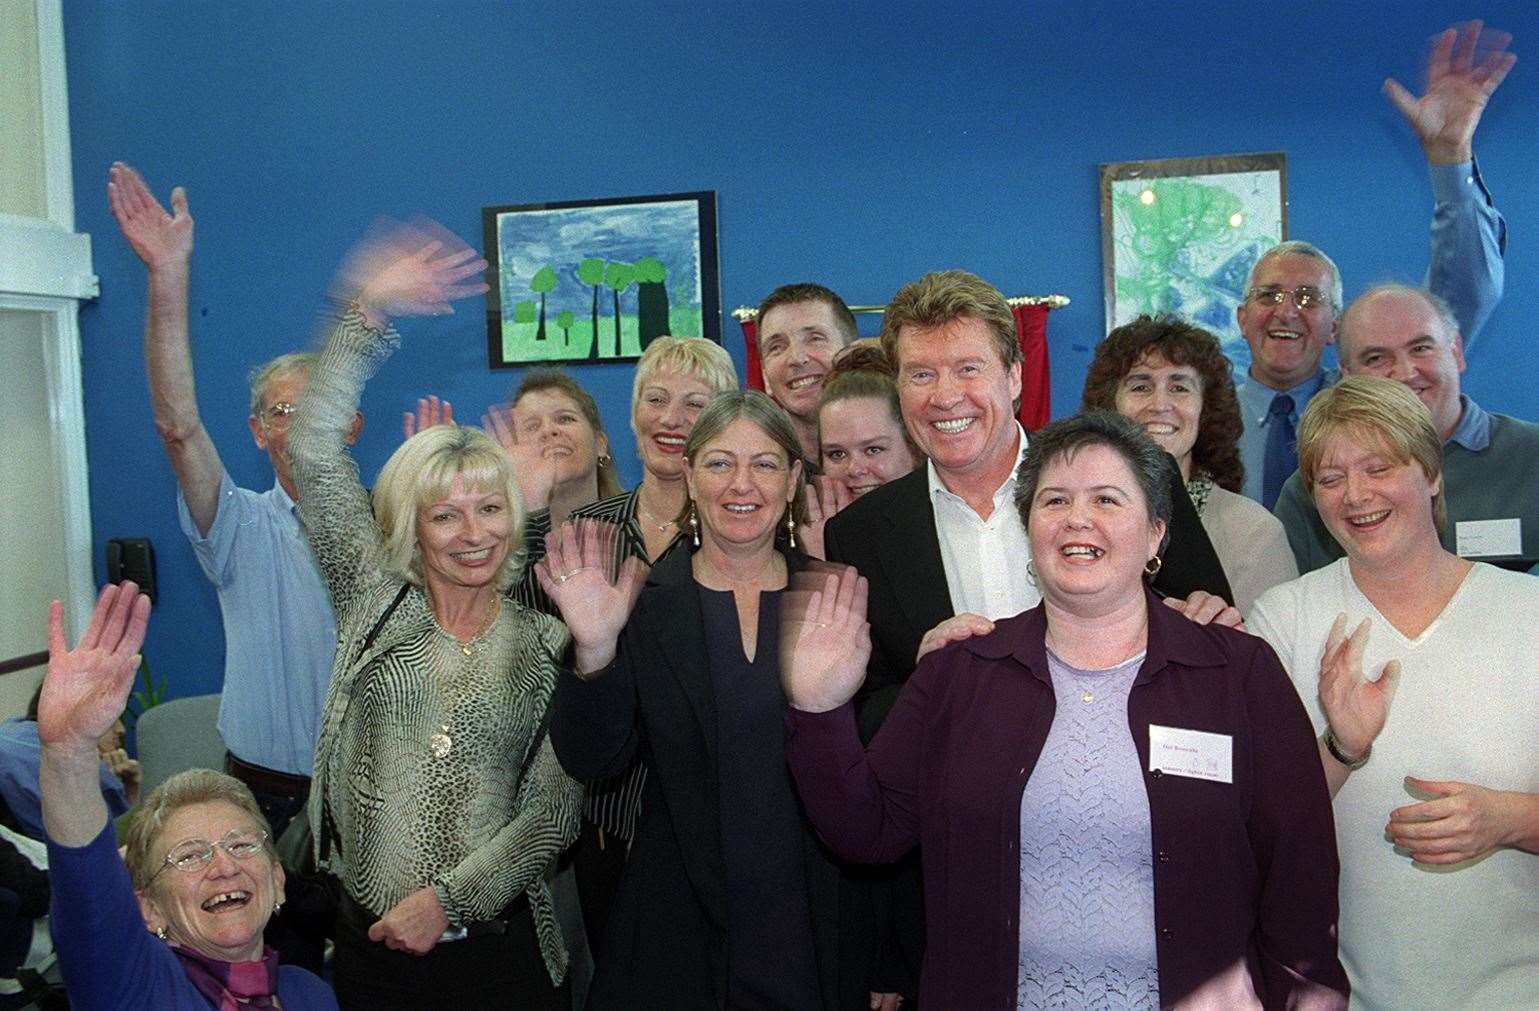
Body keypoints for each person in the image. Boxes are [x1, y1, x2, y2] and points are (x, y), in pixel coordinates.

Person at [783, 412, 1347, 1009]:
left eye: (1108, 499)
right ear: (1029, 528)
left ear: (1156, 533)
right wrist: (819, 707)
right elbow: (866, 833)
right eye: (1055, 500)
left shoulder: (1238, 675)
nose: (1078, 518)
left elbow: (1300, 879)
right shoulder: (960, 673)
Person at [289, 225, 580, 1009]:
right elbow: (312, 449)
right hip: (370, 952)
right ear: (410, 525)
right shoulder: (373, 597)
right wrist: (366, 311)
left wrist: (447, 901)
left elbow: (554, 813)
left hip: (498, 957)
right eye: (446, 514)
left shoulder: (546, 638)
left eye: (490, 508)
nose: (473, 532)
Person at [543, 391, 858, 1009]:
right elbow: (594, 761)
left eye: (765, 464)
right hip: (674, 936)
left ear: (794, 477)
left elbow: (869, 786)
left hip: (815, 928)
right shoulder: (638, 600)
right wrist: (596, 650)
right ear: (687, 473)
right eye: (718, 463)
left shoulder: (834, 596)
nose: (741, 484)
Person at [1248, 376, 1539, 1008]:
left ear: (1432, 475)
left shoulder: (1529, 615)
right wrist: (1342, 747)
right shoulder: (1285, 620)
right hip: (1345, 993)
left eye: (1379, 467)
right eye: (1330, 479)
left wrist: (1513, 819)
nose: (1356, 495)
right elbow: (1253, 827)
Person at [107, 163, 355, 836]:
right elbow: (178, 425)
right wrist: (167, 278)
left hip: (376, 802)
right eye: (283, 412)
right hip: (266, 802)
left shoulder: (394, 521)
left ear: (351, 424)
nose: (302, 428)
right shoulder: (239, 525)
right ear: (257, 430)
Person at [1233, 21, 1512, 507]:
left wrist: (1450, 161)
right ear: (1241, 317)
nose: (1286, 311)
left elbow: (1459, 291)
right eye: (1269, 295)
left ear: (1334, 327)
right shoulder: (1199, 417)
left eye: (1309, 298)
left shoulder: (1374, 401)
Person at [37, 581, 336, 1009]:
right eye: (190, 856)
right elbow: (87, 893)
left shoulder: (309, 994)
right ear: (149, 910)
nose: (224, 866)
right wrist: (67, 752)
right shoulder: (140, 989)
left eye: (241, 844)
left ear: (277, 880)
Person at [562, 335, 737, 953]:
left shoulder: (744, 537)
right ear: (633, 413)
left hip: (718, 833)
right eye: (656, 399)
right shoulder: (586, 535)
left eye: (695, 404)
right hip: (608, 831)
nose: (671, 419)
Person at [1273, 284, 1539, 573]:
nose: (1404, 373)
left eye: (1421, 348)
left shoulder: (1531, 458)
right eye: (1376, 358)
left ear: (1456, 352)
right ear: (1346, 375)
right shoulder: (1315, 491)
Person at [1083, 314, 1297, 613]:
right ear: (1109, 404)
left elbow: (1269, 657)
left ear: (1206, 410)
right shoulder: (1078, 519)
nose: (1159, 405)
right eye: (1141, 387)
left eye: (1179, 387)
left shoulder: (1254, 532)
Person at [0, 689, 135, 842]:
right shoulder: (100, 780)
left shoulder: (9, 733)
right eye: (111, 720)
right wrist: (131, 788)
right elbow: (132, 847)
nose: (121, 730)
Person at [756, 283, 858, 459]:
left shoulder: (908, 460)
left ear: (853, 354)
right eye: (776, 347)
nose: (796, 358)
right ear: (765, 376)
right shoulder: (751, 473)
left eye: (815, 339)